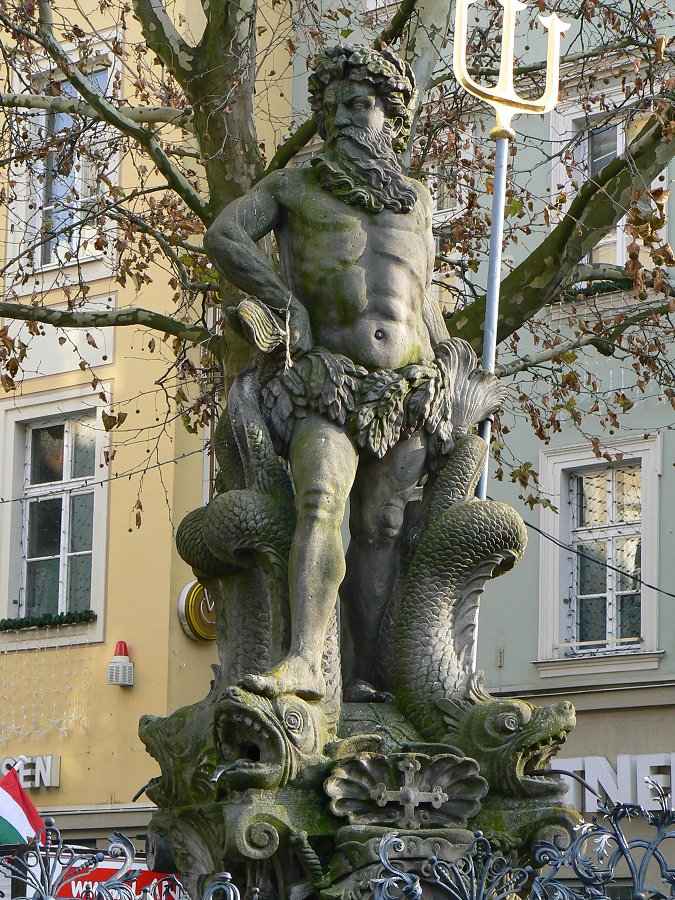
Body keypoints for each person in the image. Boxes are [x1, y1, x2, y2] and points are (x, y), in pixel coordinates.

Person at [204, 45, 453, 701]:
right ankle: (305, 659)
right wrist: (283, 303)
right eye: (333, 105)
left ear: (391, 117)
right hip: (326, 379)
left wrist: (449, 363)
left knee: (383, 531)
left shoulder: (418, 201)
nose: (342, 116)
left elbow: (421, 291)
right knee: (319, 500)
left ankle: (369, 675)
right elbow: (226, 235)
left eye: (360, 104)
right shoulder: (296, 185)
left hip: (407, 390)